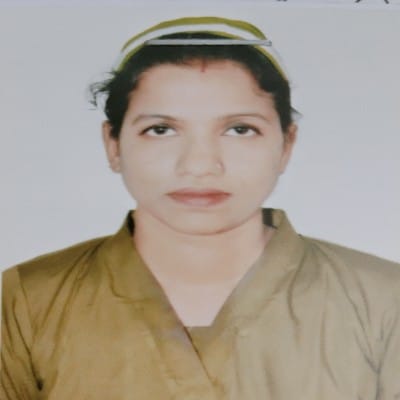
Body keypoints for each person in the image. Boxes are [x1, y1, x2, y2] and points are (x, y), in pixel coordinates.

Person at [1, 16, 399, 400]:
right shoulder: (27, 300)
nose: (199, 164)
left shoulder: (384, 300)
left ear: (286, 145)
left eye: (240, 129)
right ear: (113, 144)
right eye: (161, 129)